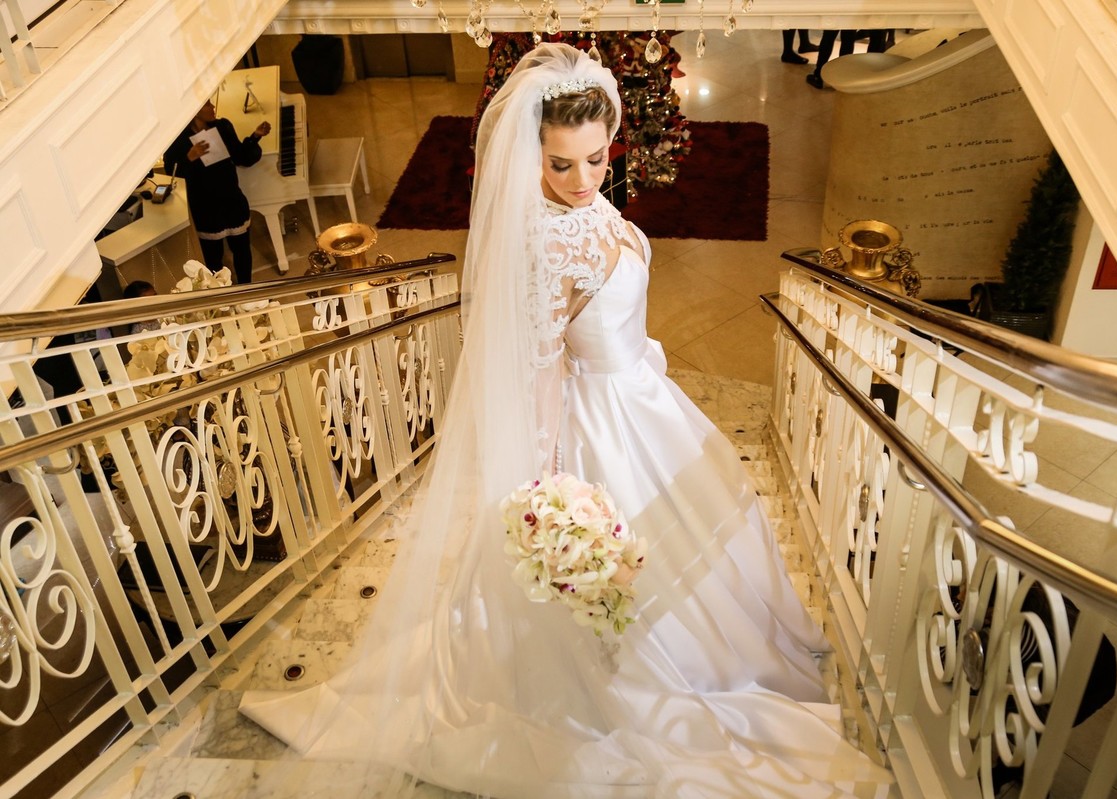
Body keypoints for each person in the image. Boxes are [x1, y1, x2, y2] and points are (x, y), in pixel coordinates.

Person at [241, 43, 891, 797]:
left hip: (641, 397)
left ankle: (722, 651)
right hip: (603, 423)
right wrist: (546, 487)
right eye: (562, 165)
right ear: (532, 158)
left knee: (701, 536)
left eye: (595, 158)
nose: (584, 180)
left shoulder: (588, 205)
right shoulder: (547, 243)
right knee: (626, 574)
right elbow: (541, 367)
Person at [163, 100, 269, 285]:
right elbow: (172, 173)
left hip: (231, 199)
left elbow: (240, 156)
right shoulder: (178, 141)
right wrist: (190, 157)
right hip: (206, 207)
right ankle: (221, 292)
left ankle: (246, 288)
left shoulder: (222, 126)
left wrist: (255, 136)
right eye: (207, 105)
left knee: (242, 249)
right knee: (213, 258)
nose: (212, 108)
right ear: (194, 110)